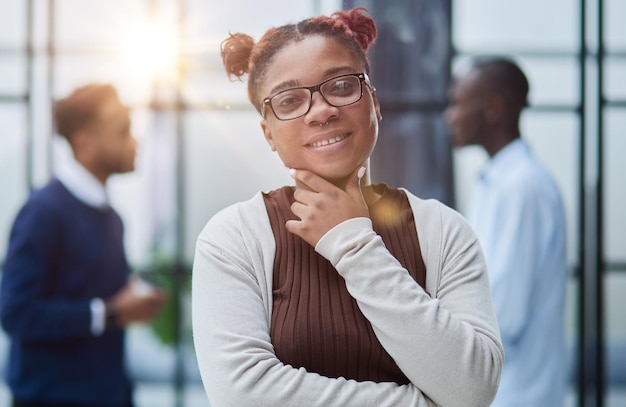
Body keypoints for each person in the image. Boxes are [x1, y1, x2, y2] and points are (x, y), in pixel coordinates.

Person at [192, 8, 503, 407]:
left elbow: (472, 389)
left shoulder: (442, 230)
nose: (321, 110)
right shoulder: (235, 237)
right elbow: (242, 393)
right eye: (290, 100)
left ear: (373, 101)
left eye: (340, 86)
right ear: (268, 133)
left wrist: (353, 242)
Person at [0, 83, 167, 407]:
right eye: (123, 131)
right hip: (51, 397)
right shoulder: (43, 213)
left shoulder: (111, 217)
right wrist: (112, 312)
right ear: (84, 143)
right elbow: (15, 313)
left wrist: (130, 304)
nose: (135, 141)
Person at [445, 58, 568, 407]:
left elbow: (502, 314)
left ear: (493, 109)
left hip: (516, 394)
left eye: (457, 103)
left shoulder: (523, 187)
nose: (449, 116)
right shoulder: (496, 182)